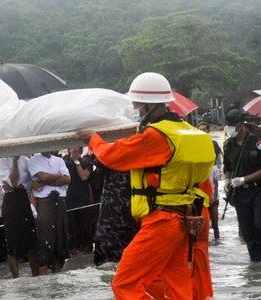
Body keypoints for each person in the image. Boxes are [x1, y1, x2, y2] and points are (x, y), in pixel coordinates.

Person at [78, 72, 214, 299]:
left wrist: (94, 139)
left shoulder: (157, 137)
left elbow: (112, 156)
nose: (136, 110)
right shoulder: (194, 134)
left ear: (150, 105)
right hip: (194, 218)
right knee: (176, 287)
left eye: (137, 105)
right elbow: (205, 187)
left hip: (164, 220)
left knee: (124, 284)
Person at [223, 108, 261, 262]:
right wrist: (227, 181)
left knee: (259, 225)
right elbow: (227, 168)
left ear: (240, 124)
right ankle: (255, 266)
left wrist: (245, 179)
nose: (230, 128)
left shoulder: (256, 142)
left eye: (233, 124)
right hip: (240, 195)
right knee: (246, 232)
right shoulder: (228, 145)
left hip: (258, 190)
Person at [0, 155, 39, 278]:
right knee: (12, 243)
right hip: (10, 202)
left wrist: (19, 185)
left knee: (32, 242)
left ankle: (36, 275)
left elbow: (30, 184)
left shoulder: (25, 160)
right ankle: (16, 277)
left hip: (24, 199)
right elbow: (13, 183)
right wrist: (14, 160)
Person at [27, 151, 70, 275]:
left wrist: (44, 182)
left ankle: (57, 276)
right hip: (45, 201)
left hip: (60, 201)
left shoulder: (59, 160)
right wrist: (57, 176)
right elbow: (43, 176)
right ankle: (42, 278)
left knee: (59, 239)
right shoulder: (33, 160)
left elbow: (67, 179)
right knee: (45, 240)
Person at [92, 163, 138, 266]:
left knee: (130, 255)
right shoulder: (110, 153)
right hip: (113, 209)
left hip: (130, 207)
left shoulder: (139, 153)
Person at [64, 146, 95, 254]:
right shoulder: (64, 162)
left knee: (86, 232)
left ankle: (86, 255)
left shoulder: (86, 161)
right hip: (69, 201)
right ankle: (74, 255)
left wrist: (76, 161)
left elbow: (84, 177)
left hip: (83, 200)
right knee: (71, 232)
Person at [198, 121, 222, 239]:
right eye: (200, 129)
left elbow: (216, 182)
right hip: (200, 197)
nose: (202, 131)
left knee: (215, 225)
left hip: (212, 196)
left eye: (204, 129)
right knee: (202, 227)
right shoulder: (195, 145)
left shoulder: (213, 144)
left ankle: (217, 242)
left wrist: (215, 197)